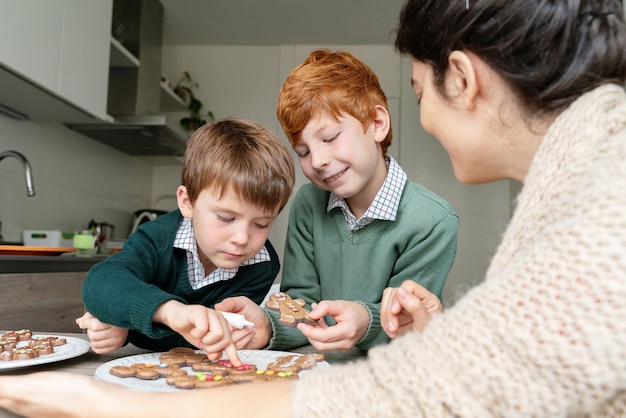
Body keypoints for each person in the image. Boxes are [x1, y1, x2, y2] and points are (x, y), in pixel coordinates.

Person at [1, 0, 626, 416]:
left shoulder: (602, 198)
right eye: (305, 148)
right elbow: (488, 362)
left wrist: (115, 404)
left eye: (417, 91)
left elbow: (447, 380)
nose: (424, 121)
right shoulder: (587, 163)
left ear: (461, 79)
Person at [216, 48, 458, 352]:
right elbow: (301, 303)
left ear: (377, 124)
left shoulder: (433, 221)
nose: (317, 160)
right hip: (315, 372)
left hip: (389, 375)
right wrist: (267, 325)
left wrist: (365, 321)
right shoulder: (308, 203)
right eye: (303, 152)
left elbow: (408, 321)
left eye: (329, 138)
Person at [75, 118, 295, 363]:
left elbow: (197, 339)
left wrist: (129, 324)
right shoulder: (156, 238)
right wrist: (157, 314)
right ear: (187, 202)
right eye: (225, 217)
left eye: (261, 224)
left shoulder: (263, 266)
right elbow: (101, 282)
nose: (242, 239)